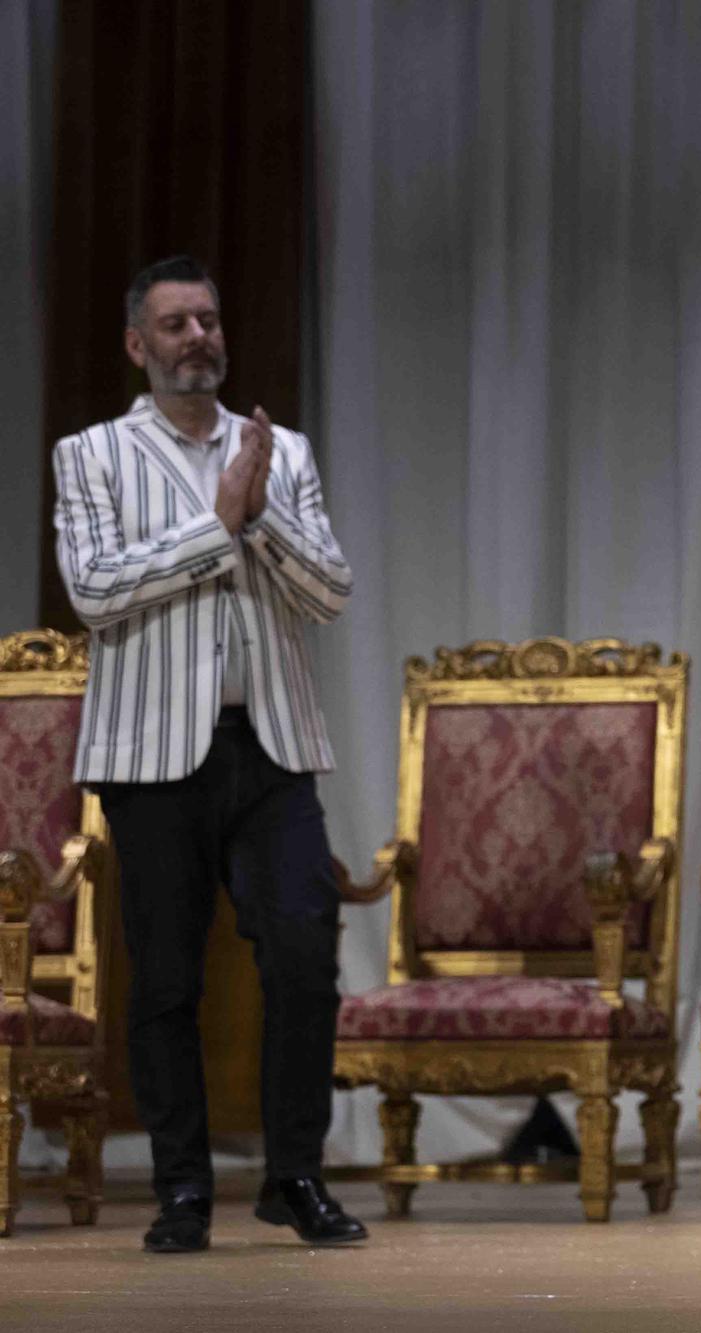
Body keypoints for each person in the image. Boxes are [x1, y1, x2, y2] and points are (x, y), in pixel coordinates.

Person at [51, 256, 366, 1254]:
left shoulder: (281, 451)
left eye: (210, 321)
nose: (199, 339)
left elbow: (330, 593)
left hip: (269, 744)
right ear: (138, 346)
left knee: (306, 958)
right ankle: (182, 1188)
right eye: (176, 325)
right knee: (167, 979)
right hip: (150, 756)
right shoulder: (92, 455)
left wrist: (260, 510)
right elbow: (96, 592)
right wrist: (217, 522)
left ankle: (295, 1174)